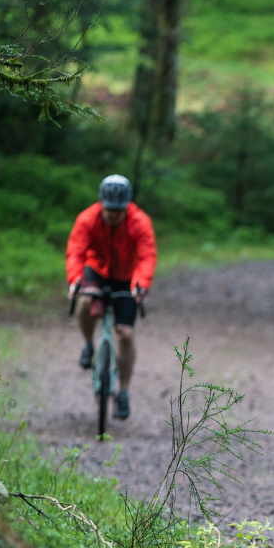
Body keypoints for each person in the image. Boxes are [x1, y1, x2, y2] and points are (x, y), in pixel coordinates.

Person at [65, 174, 157, 421]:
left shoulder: (140, 222)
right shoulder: (87, 219)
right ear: (101, 204)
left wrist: (141, 284)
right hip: (96, 269)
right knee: (85, 300)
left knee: (125, 334)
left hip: (127, 276)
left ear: (127, 205)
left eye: (119, 210)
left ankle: (123, 392)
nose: (113, 215)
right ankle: (88, 344)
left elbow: (147, 256)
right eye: (109, 210)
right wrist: (75, 279)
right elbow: (75, 251)